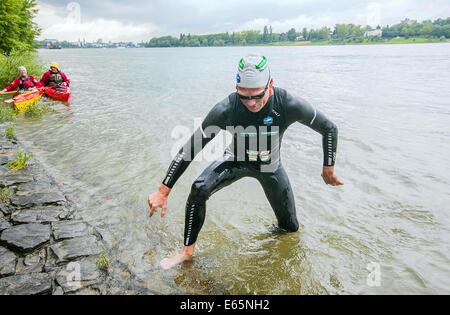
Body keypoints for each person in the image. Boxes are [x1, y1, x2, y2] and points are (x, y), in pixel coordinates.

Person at [147, 55, 344, 270]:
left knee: (290, 230)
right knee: (199, 189)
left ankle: (275, 252)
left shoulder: (287, 104)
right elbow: (191, 147)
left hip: (270, 167)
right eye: (244, 96)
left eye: (257, 96)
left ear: (270, 85)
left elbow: (329, 128)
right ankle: (187, 252)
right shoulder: (226, 108)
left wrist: (328, 167)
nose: (250, 102)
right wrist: (163, 191)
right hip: (235, 160)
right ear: (237, 88)